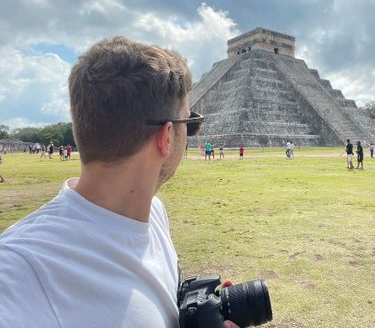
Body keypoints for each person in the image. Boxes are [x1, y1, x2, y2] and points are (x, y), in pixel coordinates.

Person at [0, 37, 238, 328]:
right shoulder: (16, 272)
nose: (191, 133)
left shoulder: (153, 212)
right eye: (190, 123)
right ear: (165, 137)